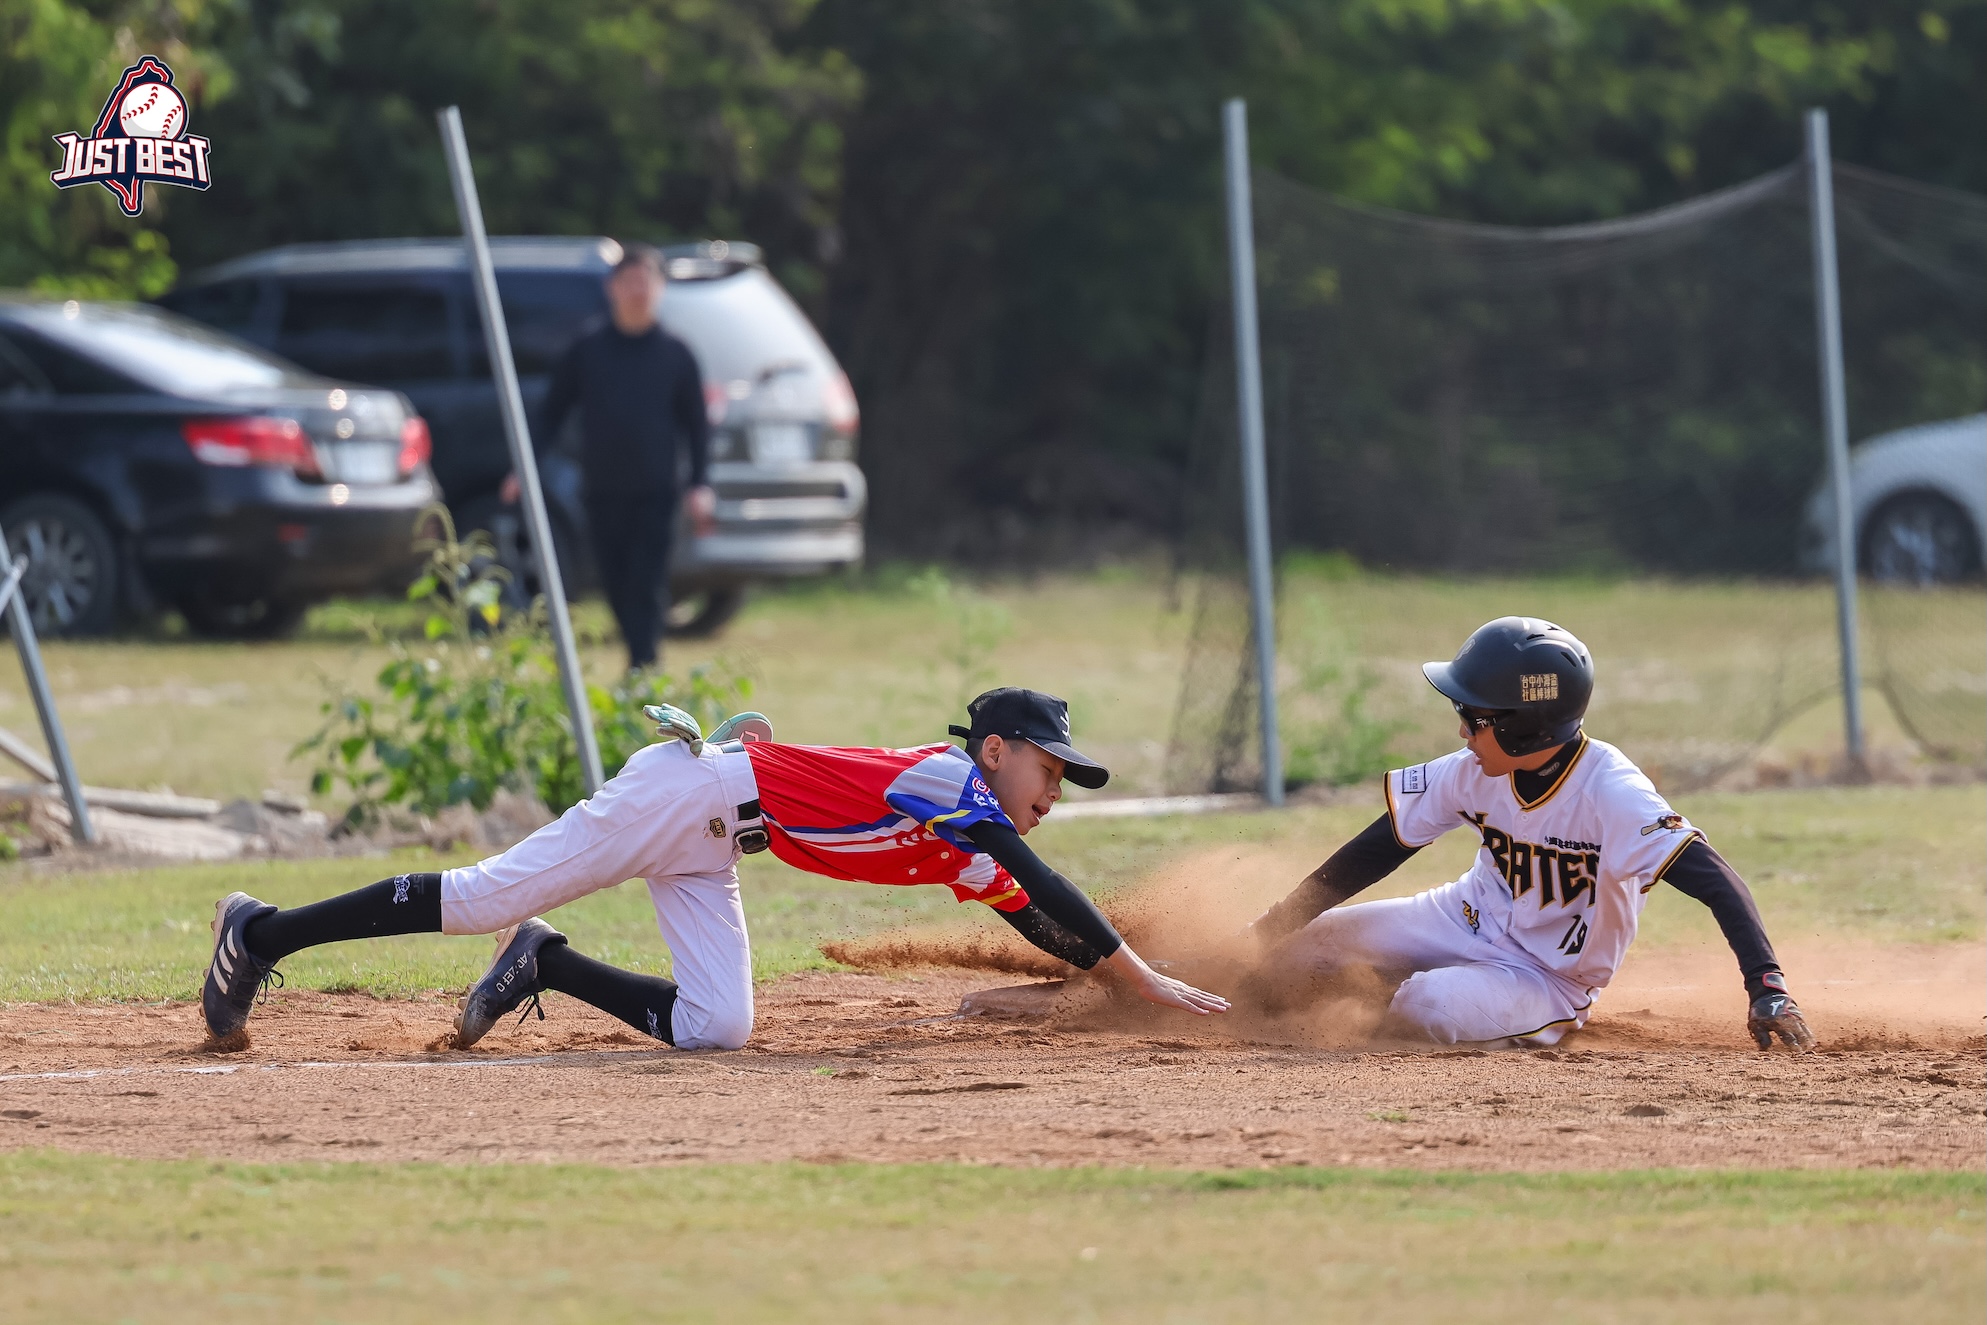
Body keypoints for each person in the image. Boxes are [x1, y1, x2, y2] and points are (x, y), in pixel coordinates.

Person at [199, 687, 1226, 1052]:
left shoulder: (968, 836)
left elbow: (1035, 917)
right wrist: (1134, 970)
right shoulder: (950, 778)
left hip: (715, 840)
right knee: (479, 896)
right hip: (684, 794)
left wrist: (1110, 982)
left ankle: (547, 965)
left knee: (717, 1026)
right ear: (996, 748)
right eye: (1049, 766)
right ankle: (259, 930)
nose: (1054, 790)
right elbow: (1046, 889)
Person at [1248, 616, 1815, 1051]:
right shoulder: (1472, 771)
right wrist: (1266, 929)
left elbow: (1715, 879)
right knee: (1308, 947)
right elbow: (1377, 850)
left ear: (1523, 728)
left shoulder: (1612, 793)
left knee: (1430, 1007)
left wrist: (1767, 986)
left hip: (1546, 975)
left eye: (1475, 717)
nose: (1463, 730)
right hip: (1457, 918)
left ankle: (1418, 994)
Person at [502, 243, 716, 671]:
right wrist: (524, 469)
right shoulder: (588, 350)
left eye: (647, 281)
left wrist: (700, 485)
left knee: (647, 579)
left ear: (660, 288)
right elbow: (552, 414)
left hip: (657, 490)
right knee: (615, 581)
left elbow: (696, 424)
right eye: (630, 281)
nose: (638, 290)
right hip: (601, 488)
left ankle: (644, 662)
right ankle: (638, 657)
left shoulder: (676, 353)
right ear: (612, 288)